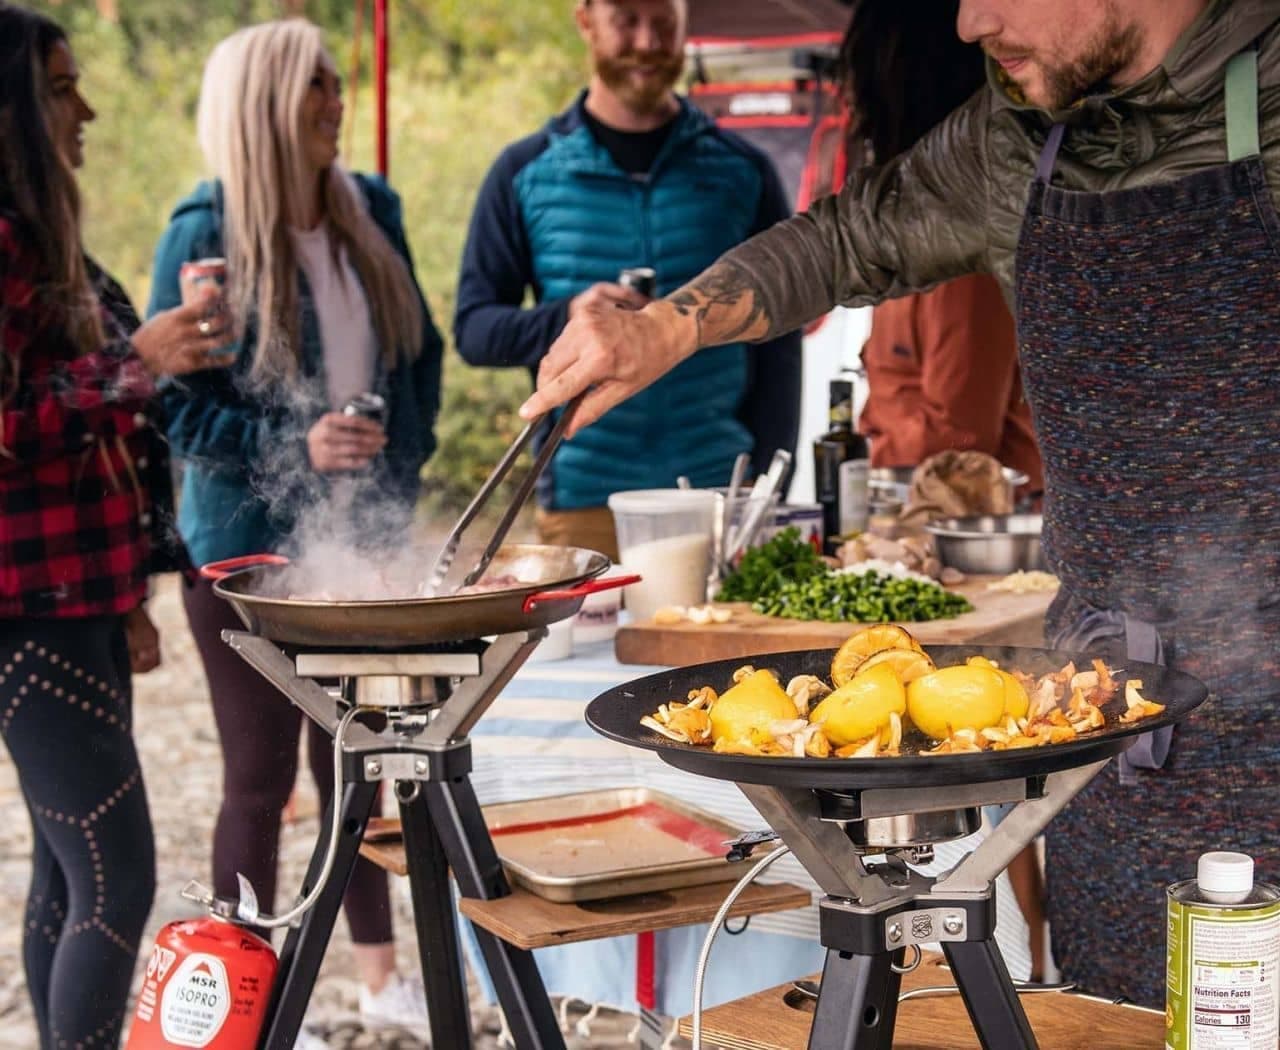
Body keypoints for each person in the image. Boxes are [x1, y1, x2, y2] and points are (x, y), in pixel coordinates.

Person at [521, 0, 1280, 1008]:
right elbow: (844, 240)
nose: (966, 22)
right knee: (1122, 1016)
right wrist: (662, 331)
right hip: (1109, 723)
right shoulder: (1020, 143)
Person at [148, 19, 443, 1032]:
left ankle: (378, 978)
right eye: (316, 88)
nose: (336, 101)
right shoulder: (202, 232)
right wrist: (296, 441)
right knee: (260, 777)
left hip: (357, 546)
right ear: (265, 105)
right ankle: (246, 1003)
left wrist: (392, 476)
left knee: (356, 761)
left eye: (333, 84)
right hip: (241, 551)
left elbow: (421, 362)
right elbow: (173, 405)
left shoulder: (376, 211)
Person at [0, 5, 233, 1045]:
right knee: (112, 873)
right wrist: (134, 362)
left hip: (74, 601)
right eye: (61, 86)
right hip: (26, 609)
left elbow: (99, 440)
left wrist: (134, 591)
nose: (86, 107)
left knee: (68, 866)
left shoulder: (40, 234)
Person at [839, 0, 1047, 981]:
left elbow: (956, 440)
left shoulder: (955, 253)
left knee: (1004, 793)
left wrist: (887, 413)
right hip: (953, 550)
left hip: (992, 561)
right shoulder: (909, 233)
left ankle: (1010, 972)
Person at [453, 0, 801, 561]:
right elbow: (474, 329)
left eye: (664, 23)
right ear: (585, 20)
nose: (646, 41)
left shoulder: (743, 170)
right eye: (626, 20)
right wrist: (568, 316)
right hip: (586, 502)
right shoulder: (524, 172)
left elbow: (780, 338)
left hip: (718, 495)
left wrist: (770, 488)